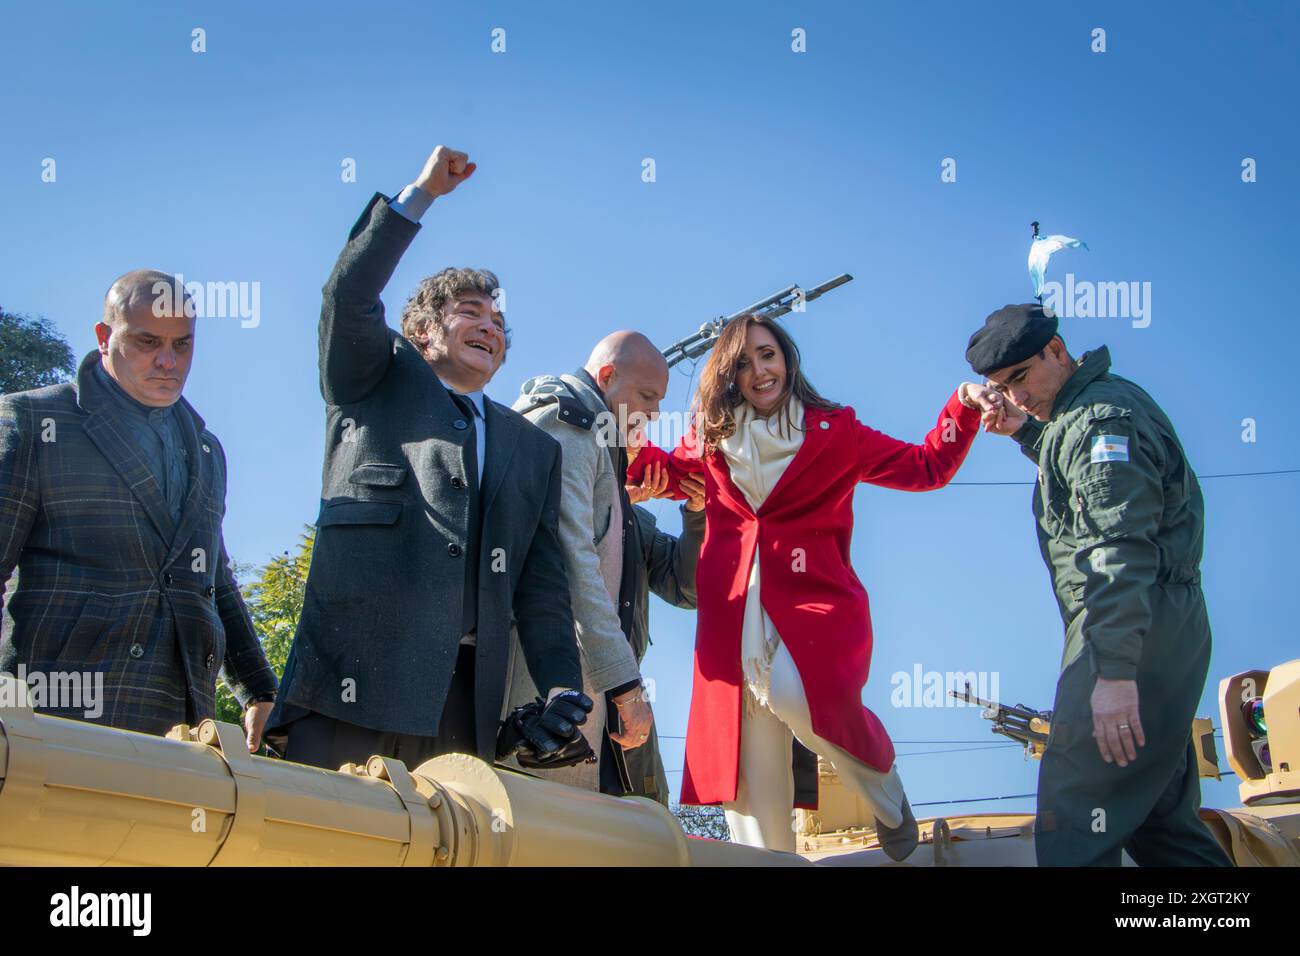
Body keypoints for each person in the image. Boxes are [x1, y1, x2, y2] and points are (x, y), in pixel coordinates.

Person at [265, 144, 589, 772]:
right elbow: (347, 295)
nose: (490, 327)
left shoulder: (534, 450)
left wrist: (559, 689)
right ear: (421, 332)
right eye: (470, 312)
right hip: (348, 690)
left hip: (465, 705)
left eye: (499, 322)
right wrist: (422, 195)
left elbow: (542, 586)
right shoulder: (371, 380)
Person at [626, 313, 990, 858]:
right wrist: (624, 450)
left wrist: (962, 403)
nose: (759, 371)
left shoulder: (836, 430)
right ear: (729, 377)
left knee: (802, 696)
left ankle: (885, 790)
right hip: (733, 625)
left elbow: (926, 466)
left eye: (767, 355)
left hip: (815, 604)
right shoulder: (710, 436)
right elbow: (665, 471)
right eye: (743, 364)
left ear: (788, 359)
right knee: (751, 799)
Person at [964, 303, 1233, 866]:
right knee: (1163, 825)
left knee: (1075, 823)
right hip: (1158, 627)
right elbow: (1086, 472)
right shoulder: (1094, 410)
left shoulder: (1097, 421)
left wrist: (1113, 674)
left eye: (1019, 378)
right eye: (999, 388)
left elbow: (1119, 546)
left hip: (1127, 625)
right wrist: (1027, 433)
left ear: (1056, 352)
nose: (1014, 396)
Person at [0, 270, 277, 749]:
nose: (168, 361)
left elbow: (213, 575)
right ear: (105, 337)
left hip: (181, 720)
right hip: (52, 714)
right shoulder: (32, 420)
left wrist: (259, 687)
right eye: (147, 342)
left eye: (182, 344)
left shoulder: (207, 450)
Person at [506, 332, 670, 793]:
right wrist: (625, 685)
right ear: (606, 376)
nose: (655, 413)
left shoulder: (589, 432)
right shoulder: (573, 426)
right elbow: (572, 560)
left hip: (556, 687)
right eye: (646, 396)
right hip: (547, 692)